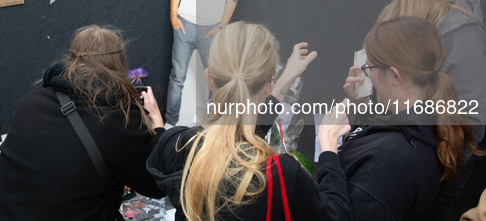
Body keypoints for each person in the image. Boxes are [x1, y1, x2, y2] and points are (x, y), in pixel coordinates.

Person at [148, 21, 353, 221]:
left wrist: (158, 124)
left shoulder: (179, 144)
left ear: (209, 79)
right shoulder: (280, 175)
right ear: (268, 85)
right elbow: (338, 215)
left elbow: (236, 139)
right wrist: (328, 147)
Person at [0, 25, 165, 221]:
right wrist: (158, 129)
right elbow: (157, 184)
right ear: (118, 64)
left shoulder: (32, 99)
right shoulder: (118, 120)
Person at [339, 17, 485, 220]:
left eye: (369, 69)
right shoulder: (438, 127)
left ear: (395, 76)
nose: (369, 77)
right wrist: (364, 110)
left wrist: (329, 152)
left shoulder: (388, 159)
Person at [376, 0, 486, 138]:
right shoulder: (394, 13)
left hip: (437, 163)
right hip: (396, 148)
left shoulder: (461, 35)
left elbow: (472, 120)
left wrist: (430, 160)